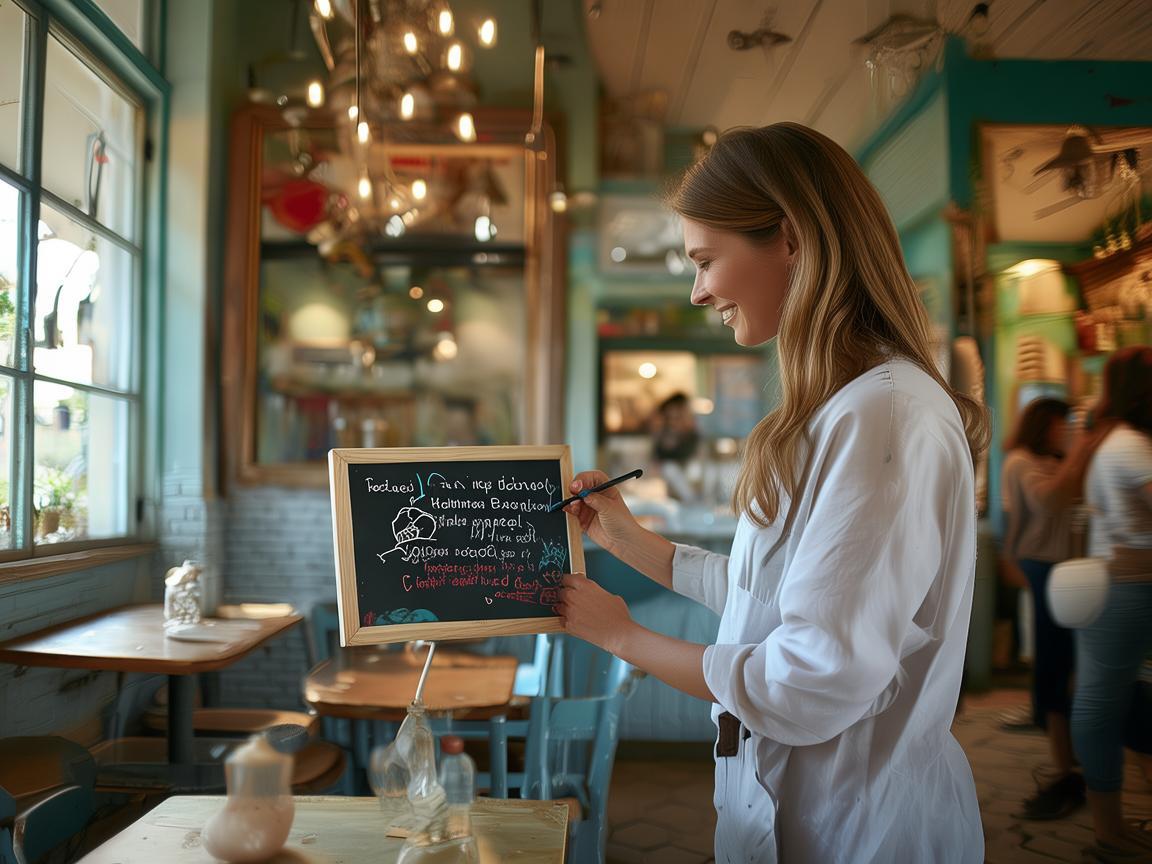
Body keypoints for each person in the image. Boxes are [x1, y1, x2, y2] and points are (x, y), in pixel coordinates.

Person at [556, 123, 989, 863]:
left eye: (706, 260)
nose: (698, 291)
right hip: (802, 814)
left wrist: (621, 636)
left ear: (788, 237)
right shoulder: (841, 405)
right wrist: (625, 538)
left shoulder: (882, 413)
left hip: (860, 829)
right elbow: (777, 600)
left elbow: (807, 681)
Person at [1062, 347, 1152, 862]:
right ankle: (1109, 830)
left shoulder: (1117, 441)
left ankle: (1110, 826)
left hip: (1119, 586)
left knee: (1108, 700)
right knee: (1100, 703)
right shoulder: (1131, 445)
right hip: (1127, 588)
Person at [1000, 398, 1085, 818]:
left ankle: (1069, 753)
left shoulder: (1054, 459)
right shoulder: (1019, 460)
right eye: (1061, 423)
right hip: (1041, 565)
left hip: (1068, 569)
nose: (1066, 430)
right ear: (1044, 424)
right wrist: (1079, 456)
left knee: (1066, 660)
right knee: (1053, 660)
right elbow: (1048, 504)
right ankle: (1063, 764)